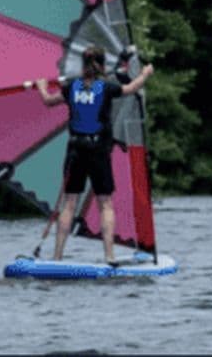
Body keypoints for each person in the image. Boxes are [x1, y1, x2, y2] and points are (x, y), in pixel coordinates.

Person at [36, 45, 154, 263]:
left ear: (83, 64)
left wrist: (42, 87)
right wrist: (145, 74)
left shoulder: (71, 87)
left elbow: (48, 101)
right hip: (98, 151)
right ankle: (109, 256)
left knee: (69, 203)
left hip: (75, 150)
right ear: (101, 65)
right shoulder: (107, 87)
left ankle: (57, 257)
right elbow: (130, 89)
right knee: (105, 203)